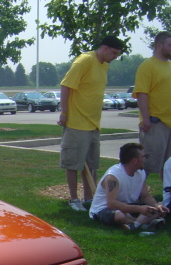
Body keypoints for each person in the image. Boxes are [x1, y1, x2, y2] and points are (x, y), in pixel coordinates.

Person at [58, 35, 124, 212]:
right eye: (114, 53)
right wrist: (64, 113)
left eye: (117, 55)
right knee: (73, 163)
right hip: (76, 123)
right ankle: (74, 199)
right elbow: (66, 86)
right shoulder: (84, 60)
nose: (115, 57)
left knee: (92, 165)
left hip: (94, 124)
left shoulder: (104, 66)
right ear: (104, 48)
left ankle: (89, 198)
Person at [89, 142, 168, 231]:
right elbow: (111, 203)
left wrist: (156, 206)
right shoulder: (113, 176)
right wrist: (139, 209)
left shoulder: (140, 172)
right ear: (134, 161)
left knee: (156, 208)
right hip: (104, 209)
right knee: (119, 215)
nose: (145, 159)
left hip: (127, 207)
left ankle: (134, 225)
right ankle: (143, 222)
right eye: (143, 156)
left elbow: (146, 196)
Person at [132, 31, 171, 179]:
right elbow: (142, 93)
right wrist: (146, 119)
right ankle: (139, 191)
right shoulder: (147, 66)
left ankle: (167, 192)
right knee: (147, 164)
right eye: (170, 45)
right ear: (159, 45)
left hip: (169, 123)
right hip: (156, 123)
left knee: (168, 166)